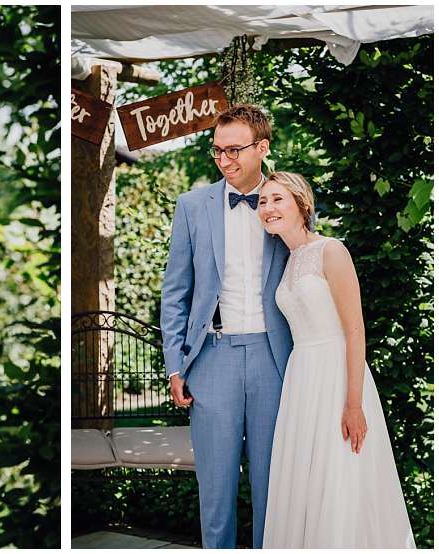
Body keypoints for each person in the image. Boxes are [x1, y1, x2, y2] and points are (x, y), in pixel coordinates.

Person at [257, 172, 414, 548]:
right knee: (305, 479)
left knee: (341, 473)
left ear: (301, 204)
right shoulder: (288, 261)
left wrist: (354, 404)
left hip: (338, 375)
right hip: (302, 379)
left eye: (277, 199)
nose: (268, 208)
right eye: (263, 202)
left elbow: (355, 331)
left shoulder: (331, 250)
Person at [160, 105, 292, 548]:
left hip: (275, 361)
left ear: (262, 148)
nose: (225, 160)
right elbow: (175, 293)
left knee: (273, 487)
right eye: (218, 151)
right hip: (210, 360)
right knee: (215, 492)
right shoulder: (192, 206)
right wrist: (176, 367)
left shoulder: (285, 203)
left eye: (235, 150)